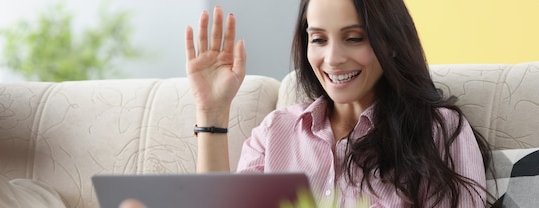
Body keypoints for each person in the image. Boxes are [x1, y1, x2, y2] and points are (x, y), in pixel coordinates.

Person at [183, 0, 495, 207]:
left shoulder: (440, 131)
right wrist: (212, 111)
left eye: (354, 38)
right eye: (318, 39)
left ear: (392, 43)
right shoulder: (275, 132)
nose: (332, 59)